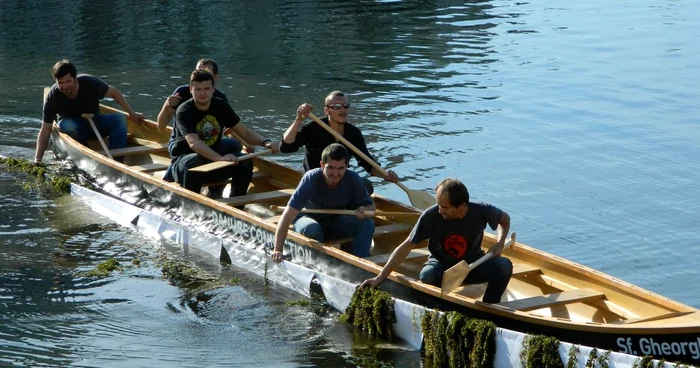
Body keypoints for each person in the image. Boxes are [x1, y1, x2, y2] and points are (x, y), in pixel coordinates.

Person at [361, 179, 513, 304]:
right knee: (427, 276)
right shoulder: (431, 216)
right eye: (439, 205)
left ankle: (489, 307)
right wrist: (379, 278)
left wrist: (500, 242)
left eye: (445, 207)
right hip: (441, 267)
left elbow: (504, 219)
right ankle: (436, 305)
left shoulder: (481, 211)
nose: (440, 211)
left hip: (472, 265)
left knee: (504, 265)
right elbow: (406, 247)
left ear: (461, 206)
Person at [170, 69, 278, 199]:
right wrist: (219, 158)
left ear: (213, 89)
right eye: (198, 89)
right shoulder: (184, 110)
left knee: (246, 162)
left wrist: (265, 142)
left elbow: (244, 132)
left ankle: (237, 206)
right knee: (196, 159)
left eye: (206, 88)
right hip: (184, 164)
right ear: (191, 89)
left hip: (213, 162)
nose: (202, 93)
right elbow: (194, 143)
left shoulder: (220, 105)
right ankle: (191, 204)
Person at [271, 143, 376, 262]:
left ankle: (360, 264)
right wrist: (277, 250)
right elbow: (287, 216)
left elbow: (371, 206)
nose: (335, 173)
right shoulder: (311, 179)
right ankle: (320, 262)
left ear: (346, 166)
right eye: (330, 168)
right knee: (313, 230)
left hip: (334, 221)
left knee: (367, 223)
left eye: (340, 168)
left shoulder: (353, 178)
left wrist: (365, 210)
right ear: (322, 165)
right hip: (307, 218)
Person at [280, 91, 398, 194]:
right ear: (327, 110)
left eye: (345, 106)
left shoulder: (353, 133)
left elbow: (368, 163)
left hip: (339, 181)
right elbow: (286, 147)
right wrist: (298, 120)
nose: (342, 110)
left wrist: (385, 175)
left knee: (366, 185)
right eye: (337, 106)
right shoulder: (313, 128)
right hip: (315, 183)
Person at [35, 59, 145, 163]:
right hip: (73, 128)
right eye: (61, 83)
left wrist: (132, 114)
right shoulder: (53, 96)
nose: (65, 86)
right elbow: (45, 130)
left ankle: (117, 160)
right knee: (66, 125)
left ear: (75, 78)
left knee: (120, 118)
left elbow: (114, 92)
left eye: (68, 81)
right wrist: (37, 159)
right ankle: (87, 154)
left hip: (95, 122)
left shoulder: (89, 82)